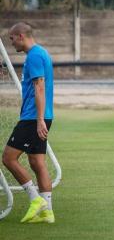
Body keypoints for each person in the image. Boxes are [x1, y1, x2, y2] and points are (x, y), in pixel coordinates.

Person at [2, 22, 55, 223]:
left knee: (8, 158)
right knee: (37, 162)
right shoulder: (41, 53)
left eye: (12, 38)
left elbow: (39, 87)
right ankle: (47, 211)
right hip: (41, 116)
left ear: (21, 36)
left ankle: (35, 199)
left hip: (34, 118)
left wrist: (39, 120)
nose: (11, 42)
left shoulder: (34, 56)